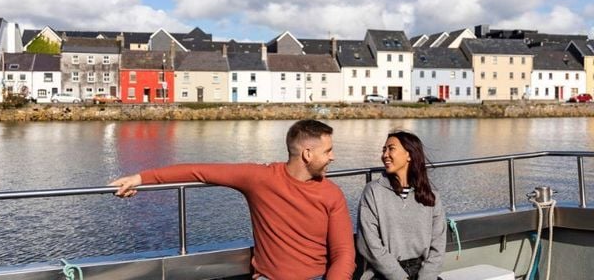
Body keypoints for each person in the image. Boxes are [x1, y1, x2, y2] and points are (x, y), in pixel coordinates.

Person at [109, 119, 355, 280]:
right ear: (307, 154)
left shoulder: (331, 193)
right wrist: (140, 178)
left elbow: (343, 252)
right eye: (328, 151)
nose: (333, 157)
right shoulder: (259, 177)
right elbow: (198, 171)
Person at [356, 131, 446, 280]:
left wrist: (426, 277)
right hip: (383, 273)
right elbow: (369, 244)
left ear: (409, 155)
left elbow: (438, 244)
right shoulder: (373, 192)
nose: (385, 154)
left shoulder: (431, 195)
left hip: (422, 272)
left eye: (391, 149)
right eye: (384, 149)